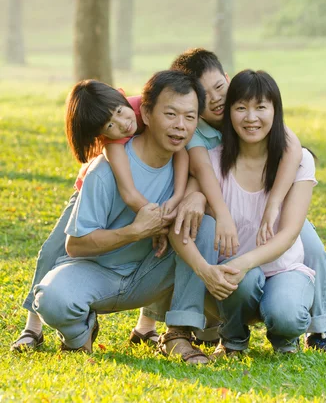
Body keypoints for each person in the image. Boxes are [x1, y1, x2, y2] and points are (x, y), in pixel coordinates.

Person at [32, 70, 230, 364]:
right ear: (146, 114)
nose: (180, 126)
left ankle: (178, 334)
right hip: (98, 273)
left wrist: (192, 200)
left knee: (202, 224)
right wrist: (135, 231)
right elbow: (75, 245)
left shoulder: (189, 163)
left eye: (190, 117)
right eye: (171, 114)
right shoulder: (105, 170)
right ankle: (78, 335)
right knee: (53, 298)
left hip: (151, 272)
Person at [167, 49, 326, 351]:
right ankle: (204, 330)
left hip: (277, 207)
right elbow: (202, 169)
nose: (216, 99)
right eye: (205, 96)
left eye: (220, 88)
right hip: (235, 216)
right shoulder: (197, 129)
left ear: (228, 81)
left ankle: (318, 329)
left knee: (311, 249)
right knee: (202, 233)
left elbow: (294, 150)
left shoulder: (256, 108)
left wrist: (274, 203)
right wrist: (201, 198)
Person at [10, 78, 191, 352]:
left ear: (122, 99)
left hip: (137, 190)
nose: (122, 124)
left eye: (120, 112)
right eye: (110, 125)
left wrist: (176, 199)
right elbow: (128, 193)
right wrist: (150, 222)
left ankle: (146, 326)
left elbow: (181, 149)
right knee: (53, 250)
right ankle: (32, 326)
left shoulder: (142, 106)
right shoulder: (112, 146)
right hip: (95, 190)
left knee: (153, 251)